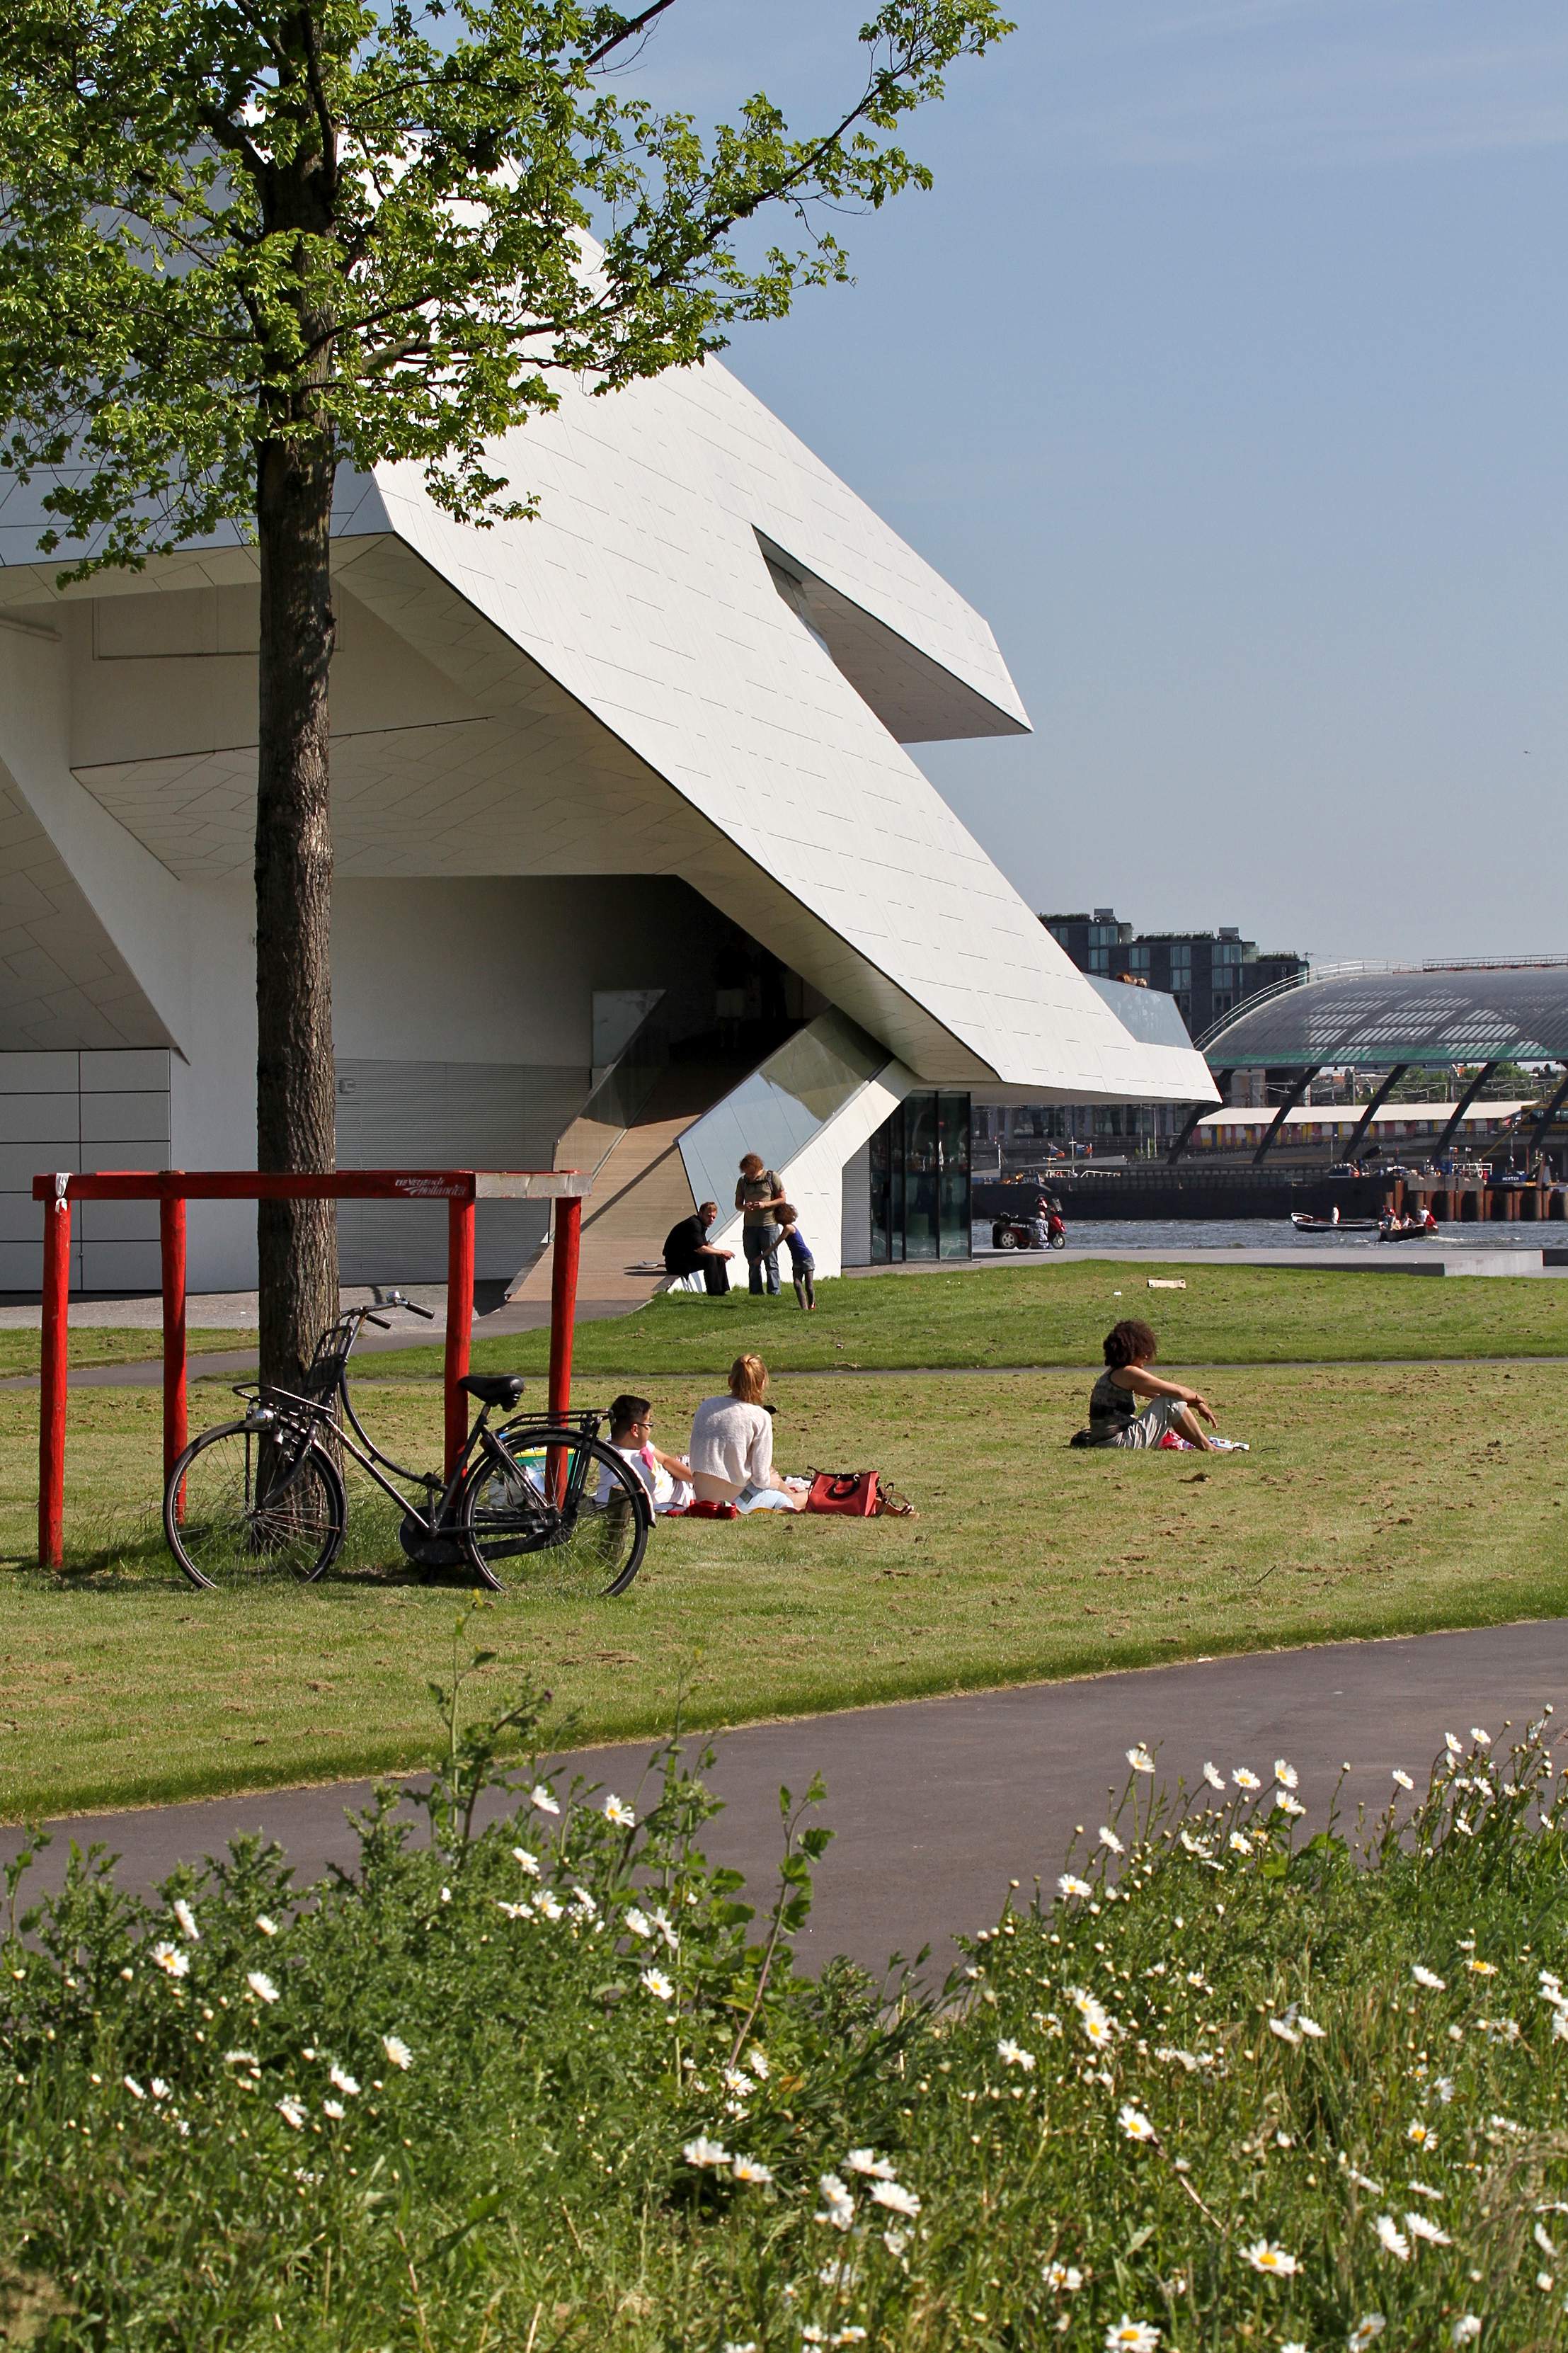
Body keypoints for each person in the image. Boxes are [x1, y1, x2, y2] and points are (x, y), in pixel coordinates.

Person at [689, 1353, 805, 1510]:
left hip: (702, 1496)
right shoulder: (760, 1416)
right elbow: (761, 1479)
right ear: (762, 1383)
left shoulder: (707, 1406)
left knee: (775, 1485)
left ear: (730, 1381)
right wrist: (774, 1482)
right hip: (734, 1501)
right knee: (792, 1498)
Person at [1083, 1319, 1219, 1451]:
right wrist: (1198, 1398)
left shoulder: (1113, 1373)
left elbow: (1163, 1394)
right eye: (1143, 1352)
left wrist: (1196, 1405)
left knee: (1169, 1400)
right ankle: (1208, 1447)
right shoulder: (1129, 1373)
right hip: (1117, 1442)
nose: (1147, 1357)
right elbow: (1178, 1392)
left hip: (1104, 1441)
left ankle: (1204, 1444)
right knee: (1168, 1402)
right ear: (1130, 1351)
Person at [597, 1394, 693, 1513]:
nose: (650, 1430)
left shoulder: (626, 1441)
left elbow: (665, 1460)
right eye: (649, 1425)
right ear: (635, 1430)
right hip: (687, 1494)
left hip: (686, 1473)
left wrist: (697, 1480)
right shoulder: (626, 1466)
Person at [735, 1151, 785, 1297]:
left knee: (771, 1260)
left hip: (769, 1225)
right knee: (753, 1260)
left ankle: (774, 1291)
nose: (749, 1176)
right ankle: (756, 1292)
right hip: (750, 1226)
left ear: (758, 1167)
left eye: (751, 1173)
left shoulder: (771, 1177)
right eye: (746, 1173)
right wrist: (746, 1207)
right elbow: (738, 1204)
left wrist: (765, 1205)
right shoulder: (743, 1181)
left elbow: (782, 1199)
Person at [663, 1201, 733, 1295]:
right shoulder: (694, 1224)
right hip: (675, 1264)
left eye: (713, 1217)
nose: (711, 1219)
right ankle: (714, 1292)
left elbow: (706, 1244)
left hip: (684, 1258)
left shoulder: (700, 1224)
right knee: (710, 1258)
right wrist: (721, 1253)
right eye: (708, 1216)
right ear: (700, 1213)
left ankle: (722, 1290)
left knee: (718, 1258)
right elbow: (701, 1249)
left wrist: (721, 1253)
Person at [776, 1204, 816, 1309]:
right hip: (796, 1259)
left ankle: (812, 1304)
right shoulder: (786, 1227)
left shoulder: (789, 1228)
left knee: (809, 1286)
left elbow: (777, 1242)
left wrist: (763, 1255)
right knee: (797, 1284)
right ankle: (804, 1308)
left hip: (806, 1258)